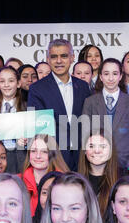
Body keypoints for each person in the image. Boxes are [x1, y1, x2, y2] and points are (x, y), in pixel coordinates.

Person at [28, 39, 91, 171]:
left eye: (64, 56)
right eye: (54, 56)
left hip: (82, 157)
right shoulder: (37, 89)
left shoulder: (83, 87)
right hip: (54, 157)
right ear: (48, 59)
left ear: (72, 58)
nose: (59, 61)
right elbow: (39, 128)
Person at [82, 58, 129, 172]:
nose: (110, 78)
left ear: (120, 76)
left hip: (124, 166)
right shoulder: (90, 102)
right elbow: (84, 137)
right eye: (106, 74)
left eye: (115, 74)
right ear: (100, 76)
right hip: (96, 166)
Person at [0, 66, 27, 174]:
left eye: (11, 81)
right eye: (2, 81)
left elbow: (35, 137)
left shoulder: (28, 108)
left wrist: (27, 141)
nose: (6, 85)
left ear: (18, 83)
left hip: (20, 158)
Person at [19, 134, 69, 216]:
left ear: (53, 154)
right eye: (33, 151)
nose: (38, 156)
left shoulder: (64, 182)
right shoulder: (17, 181)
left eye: (44, 151)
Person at [78, 131, 120, 217]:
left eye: (102, 146)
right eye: (91, 146)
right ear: (84, 151)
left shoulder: (123, 178)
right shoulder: (75, 179)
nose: (96, 151)